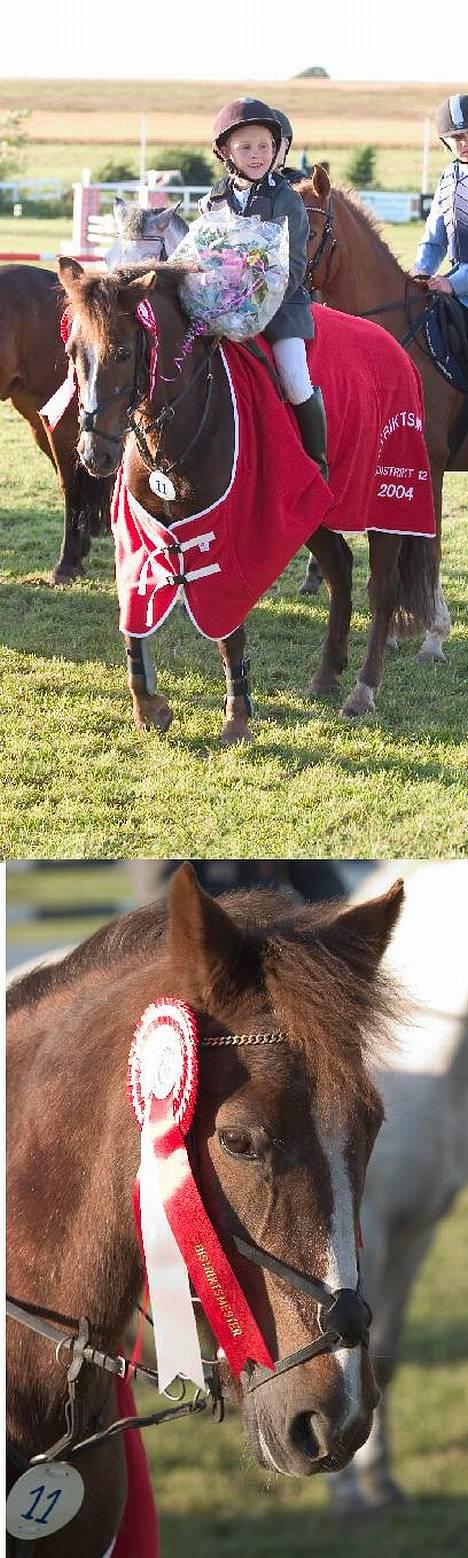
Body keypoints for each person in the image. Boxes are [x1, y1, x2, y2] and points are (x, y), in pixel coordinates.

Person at [199, 97, 328, 479]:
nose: (256, 155)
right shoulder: (213, 200)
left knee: (294, 377)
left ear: (276, 150)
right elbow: (206, 254)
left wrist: (257, 308)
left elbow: (294, 264)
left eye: (264, 146)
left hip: (281, 308)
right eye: (245, 147)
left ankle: (316, 462)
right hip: (222, 308)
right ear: (225, 151)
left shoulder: (287, 199)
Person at [412, 93, 468, 310]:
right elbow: (435, 238)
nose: (462, 143)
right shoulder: (449, 177)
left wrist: (453, 283)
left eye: (466, 134)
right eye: (455, 137)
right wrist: (421, 273)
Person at [271, 107, 305, 185]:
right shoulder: (242, 184)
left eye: (275, 142)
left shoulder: (300, 183)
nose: (270, 149)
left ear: (286, 144)